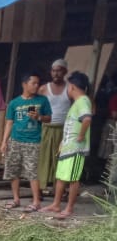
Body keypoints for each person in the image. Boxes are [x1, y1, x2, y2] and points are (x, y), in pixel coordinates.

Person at [43, 71, 92, 219]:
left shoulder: (83, 101)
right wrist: (63, 141)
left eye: (68, 86)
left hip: (76, 148)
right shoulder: (77, 102)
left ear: (72, 87)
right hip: (67, 147)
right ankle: (56, 204)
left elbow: (87, 119)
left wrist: (81, 135)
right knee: (61, 176)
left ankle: (69, 207)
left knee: (73, 179)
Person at [0, 73, 51, 211]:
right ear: (24, 84)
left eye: (38, 83)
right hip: (15, 140)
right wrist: (4, 142)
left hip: (33, 141)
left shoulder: (42, 100)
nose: (36, 86)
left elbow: (49, 118)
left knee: (32, 172)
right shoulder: (14, 103)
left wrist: (39, 117)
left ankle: (36, 202)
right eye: (33, 83)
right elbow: (9, 123)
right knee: (13, 171)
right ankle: (16, 199)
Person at [37, 59, 70, 191]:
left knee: (60, 159)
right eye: (53, 71)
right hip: (46, 128)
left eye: (59, 71)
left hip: (63, 130)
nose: (56, 73)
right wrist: (34, 119)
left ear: (65, 72)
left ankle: (59, 190)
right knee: (43, 158)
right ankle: (40, 188)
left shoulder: (70, 88)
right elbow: (34, 104)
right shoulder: (44, 89)